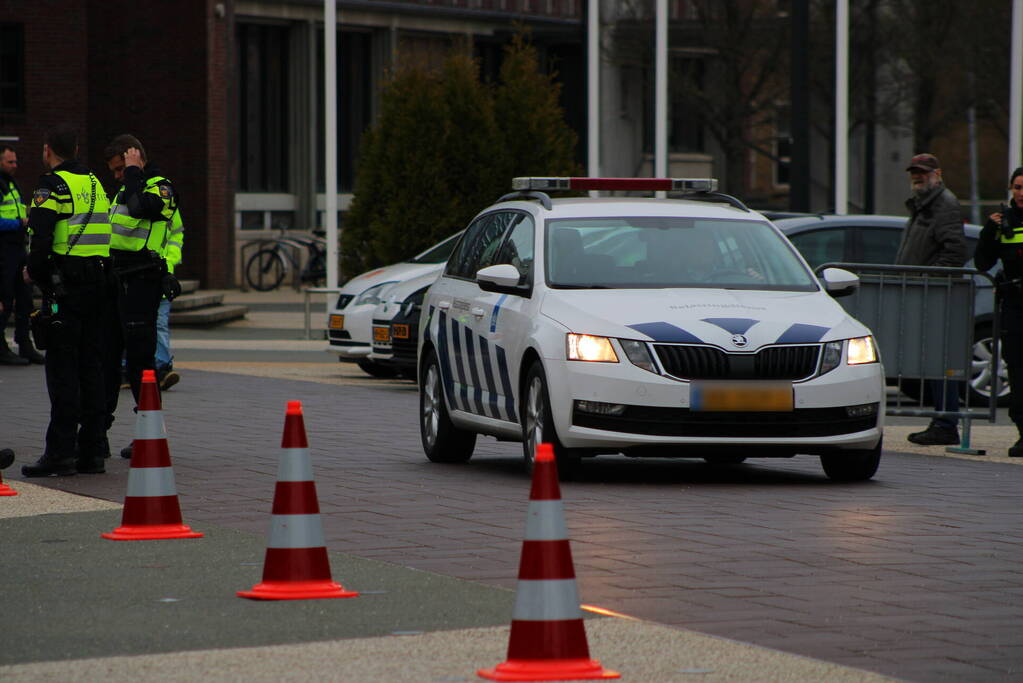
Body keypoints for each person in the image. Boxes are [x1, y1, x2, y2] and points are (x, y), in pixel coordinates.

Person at [21, 124, 111, 477]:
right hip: (98, 286)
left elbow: (40, 241)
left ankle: (60, 453)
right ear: (76, 148)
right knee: (92, 369)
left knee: (63, 371)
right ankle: (92, 451)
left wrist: (36, 275)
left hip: (66, 288)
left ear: (48, 150)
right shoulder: (95, 183)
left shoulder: (50, 185)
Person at [101, 134, 180, 459]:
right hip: (117, 279)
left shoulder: (159, 187)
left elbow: (139, 211)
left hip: (142, 279)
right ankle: (96, 433)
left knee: (140, 362)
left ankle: (150, 433)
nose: (117, 176)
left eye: (121, 168)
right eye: (115, 171)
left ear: (135, 157)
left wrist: (134, 173)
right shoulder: (126, 187)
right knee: (107, 359)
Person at [896, 153, 969, 446]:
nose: (918, 176)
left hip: (935, 295)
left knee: (942, 360)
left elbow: (954, 253)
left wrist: (926, 280)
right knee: (935, 360)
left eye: (924, 172)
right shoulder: (924, 204)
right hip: (926, 293)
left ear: (937, 174)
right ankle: (943, 420)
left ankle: (945, 422)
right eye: (914, 172)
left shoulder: (944, 205)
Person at [974, 167, 1023, 457]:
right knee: (1017, 371)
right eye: (1017, 187)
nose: (1021, 193)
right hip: (1015, 306)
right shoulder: (1002, 222)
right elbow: (982, 262)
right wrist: (990, 231)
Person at [0, 145, 44, 365]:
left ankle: (25, 344)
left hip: (17, 248)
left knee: (25, 298)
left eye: (15, 161)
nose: (15, 166)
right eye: (10, 162)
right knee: (5, 298)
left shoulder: (11, 184)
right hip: (3, 249)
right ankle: (1, 347)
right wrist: (20, 222)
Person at [156, 206, 183, 391]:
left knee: (160, 323)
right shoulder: (126, 196)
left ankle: (162, 367)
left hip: (163, 274)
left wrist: (170, 260)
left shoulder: (166, 199)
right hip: (139, 273)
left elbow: (176, 233)